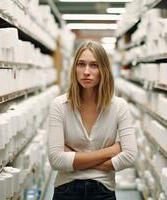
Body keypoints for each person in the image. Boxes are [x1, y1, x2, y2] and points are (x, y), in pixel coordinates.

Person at [47, 41, 137, 200]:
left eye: (94, 65)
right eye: (81, 64)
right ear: (74, 68)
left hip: (103, 190)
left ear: (104, 70)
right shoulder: (59, 105)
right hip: (66, 189)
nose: (86, 71)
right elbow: (55, 160)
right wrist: (109, 152)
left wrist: (74, 157)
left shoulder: (119, 107)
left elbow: (129, 156)